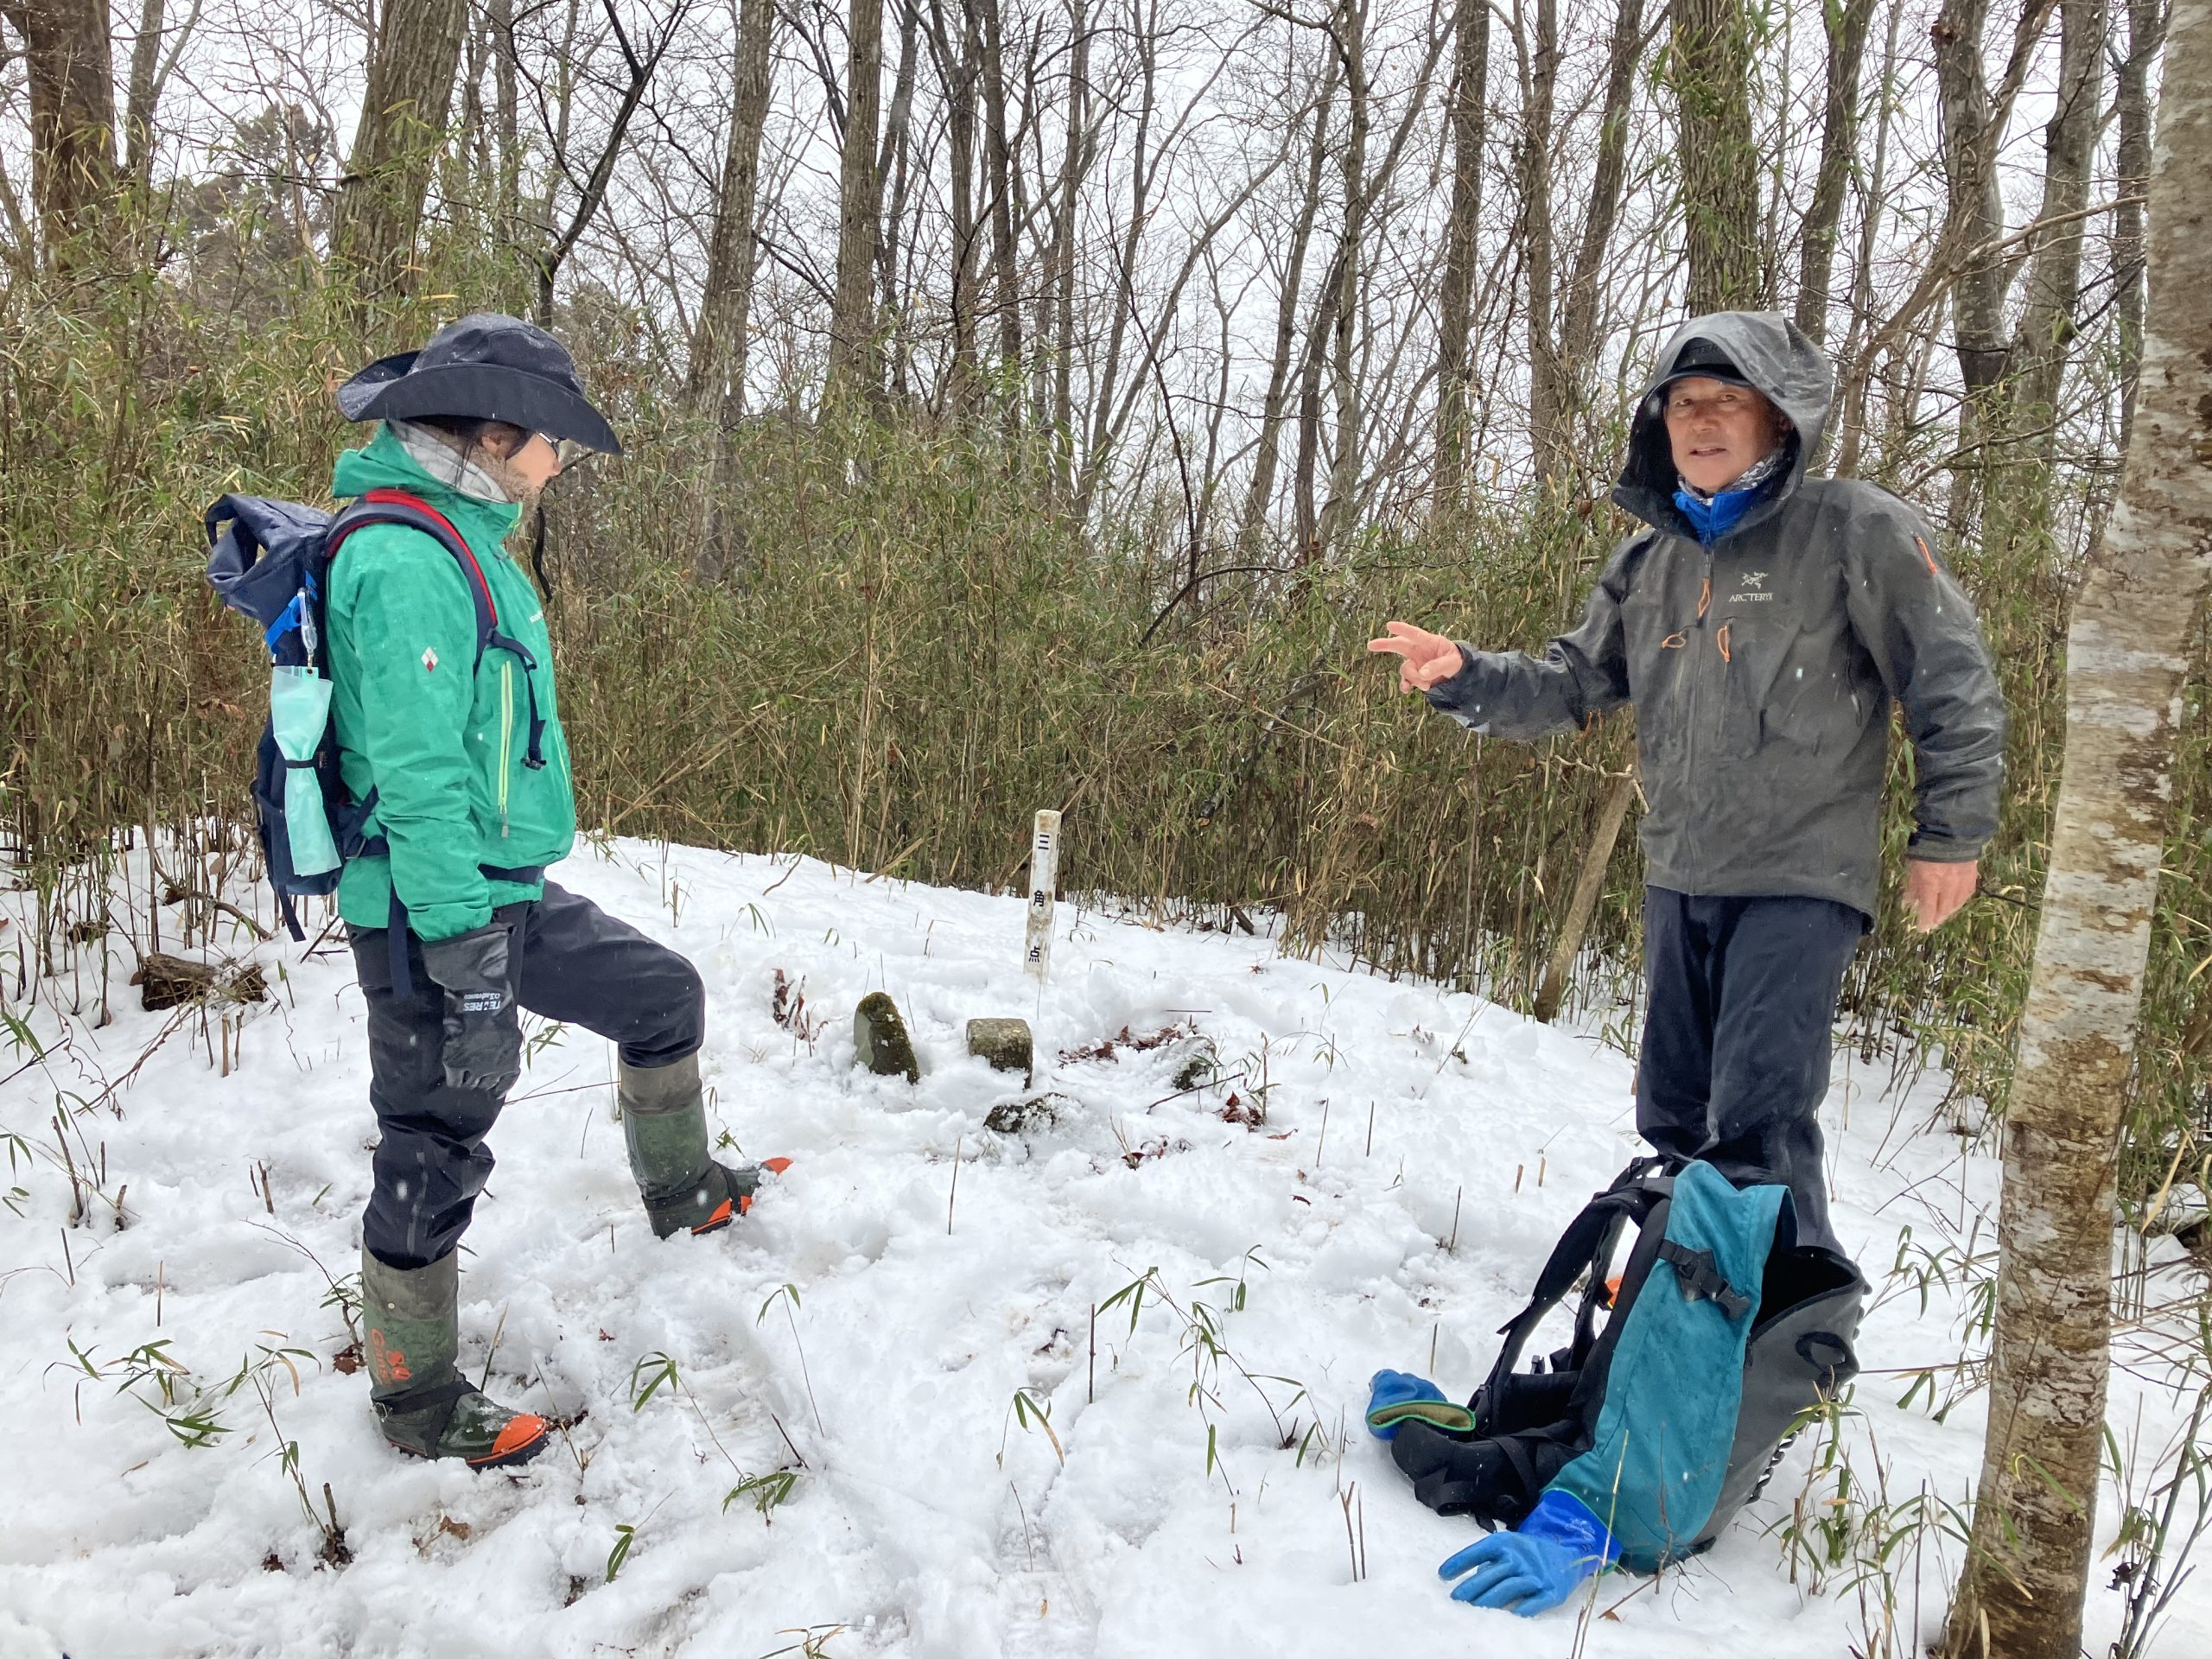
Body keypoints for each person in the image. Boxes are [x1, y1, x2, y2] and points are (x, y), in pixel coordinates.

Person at [1369, 311, 2005, 1253]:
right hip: (1680, 875)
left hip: (1799, 878)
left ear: (1778, 420)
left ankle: (1790, 1333)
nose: (1700, 421)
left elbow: (1949, 677)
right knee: (1674, 1113)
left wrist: (1950, 836)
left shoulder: (1850, 530)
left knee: (1757, 1118)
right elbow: (1571, 685)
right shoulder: (1651, 563)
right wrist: (1462, 673)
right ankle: (1686, 1301)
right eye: (1681, 405)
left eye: (1727, 401)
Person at [326, 315, 775, 1468]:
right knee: (433, 1140)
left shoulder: (462, 531)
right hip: (433, 912)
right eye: (549, 442)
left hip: (503, 892)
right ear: (491, 431)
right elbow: (419, 783)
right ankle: (416, 1403)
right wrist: (465, 967)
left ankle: (683, 1195)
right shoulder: (403, 561)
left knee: (661, 995)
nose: (558, 462)